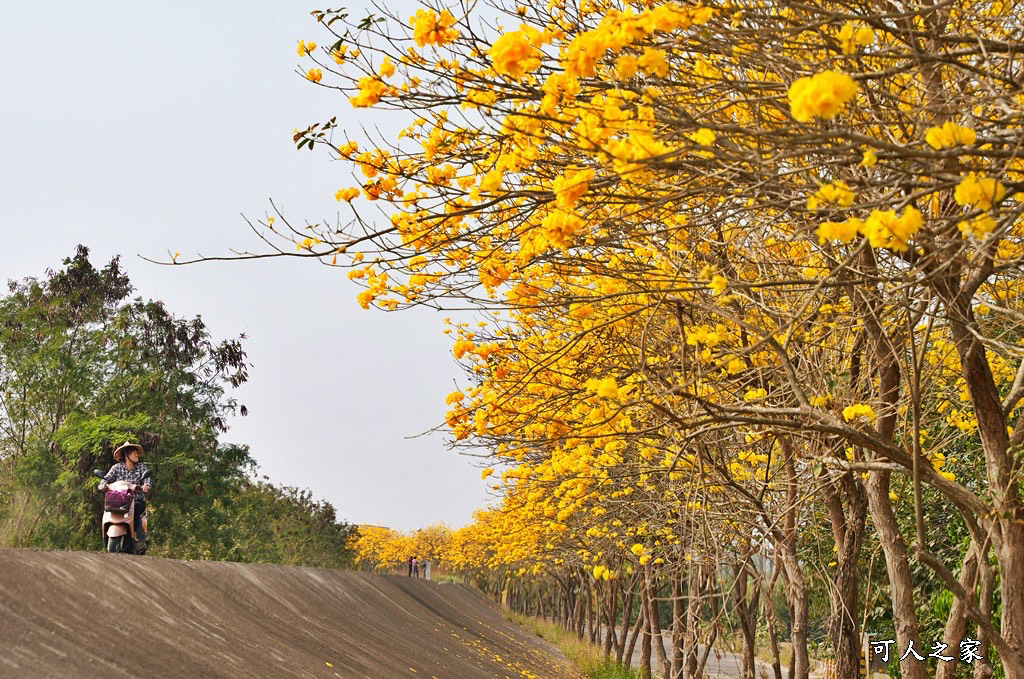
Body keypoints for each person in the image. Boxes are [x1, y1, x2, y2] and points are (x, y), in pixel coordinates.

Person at [99, 442, 152, 552]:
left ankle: (136, 535)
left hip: (136, 499)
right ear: (126, 455)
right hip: (119, 500)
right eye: (133, 453)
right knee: (107, 509)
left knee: (137, 507)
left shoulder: (141, 467)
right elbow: (105, 479)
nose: (136, 455)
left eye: (137, 453)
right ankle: (107, 534)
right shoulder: (116, 467)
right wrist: (102, 484)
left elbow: (147, 480)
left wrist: (145, 486)